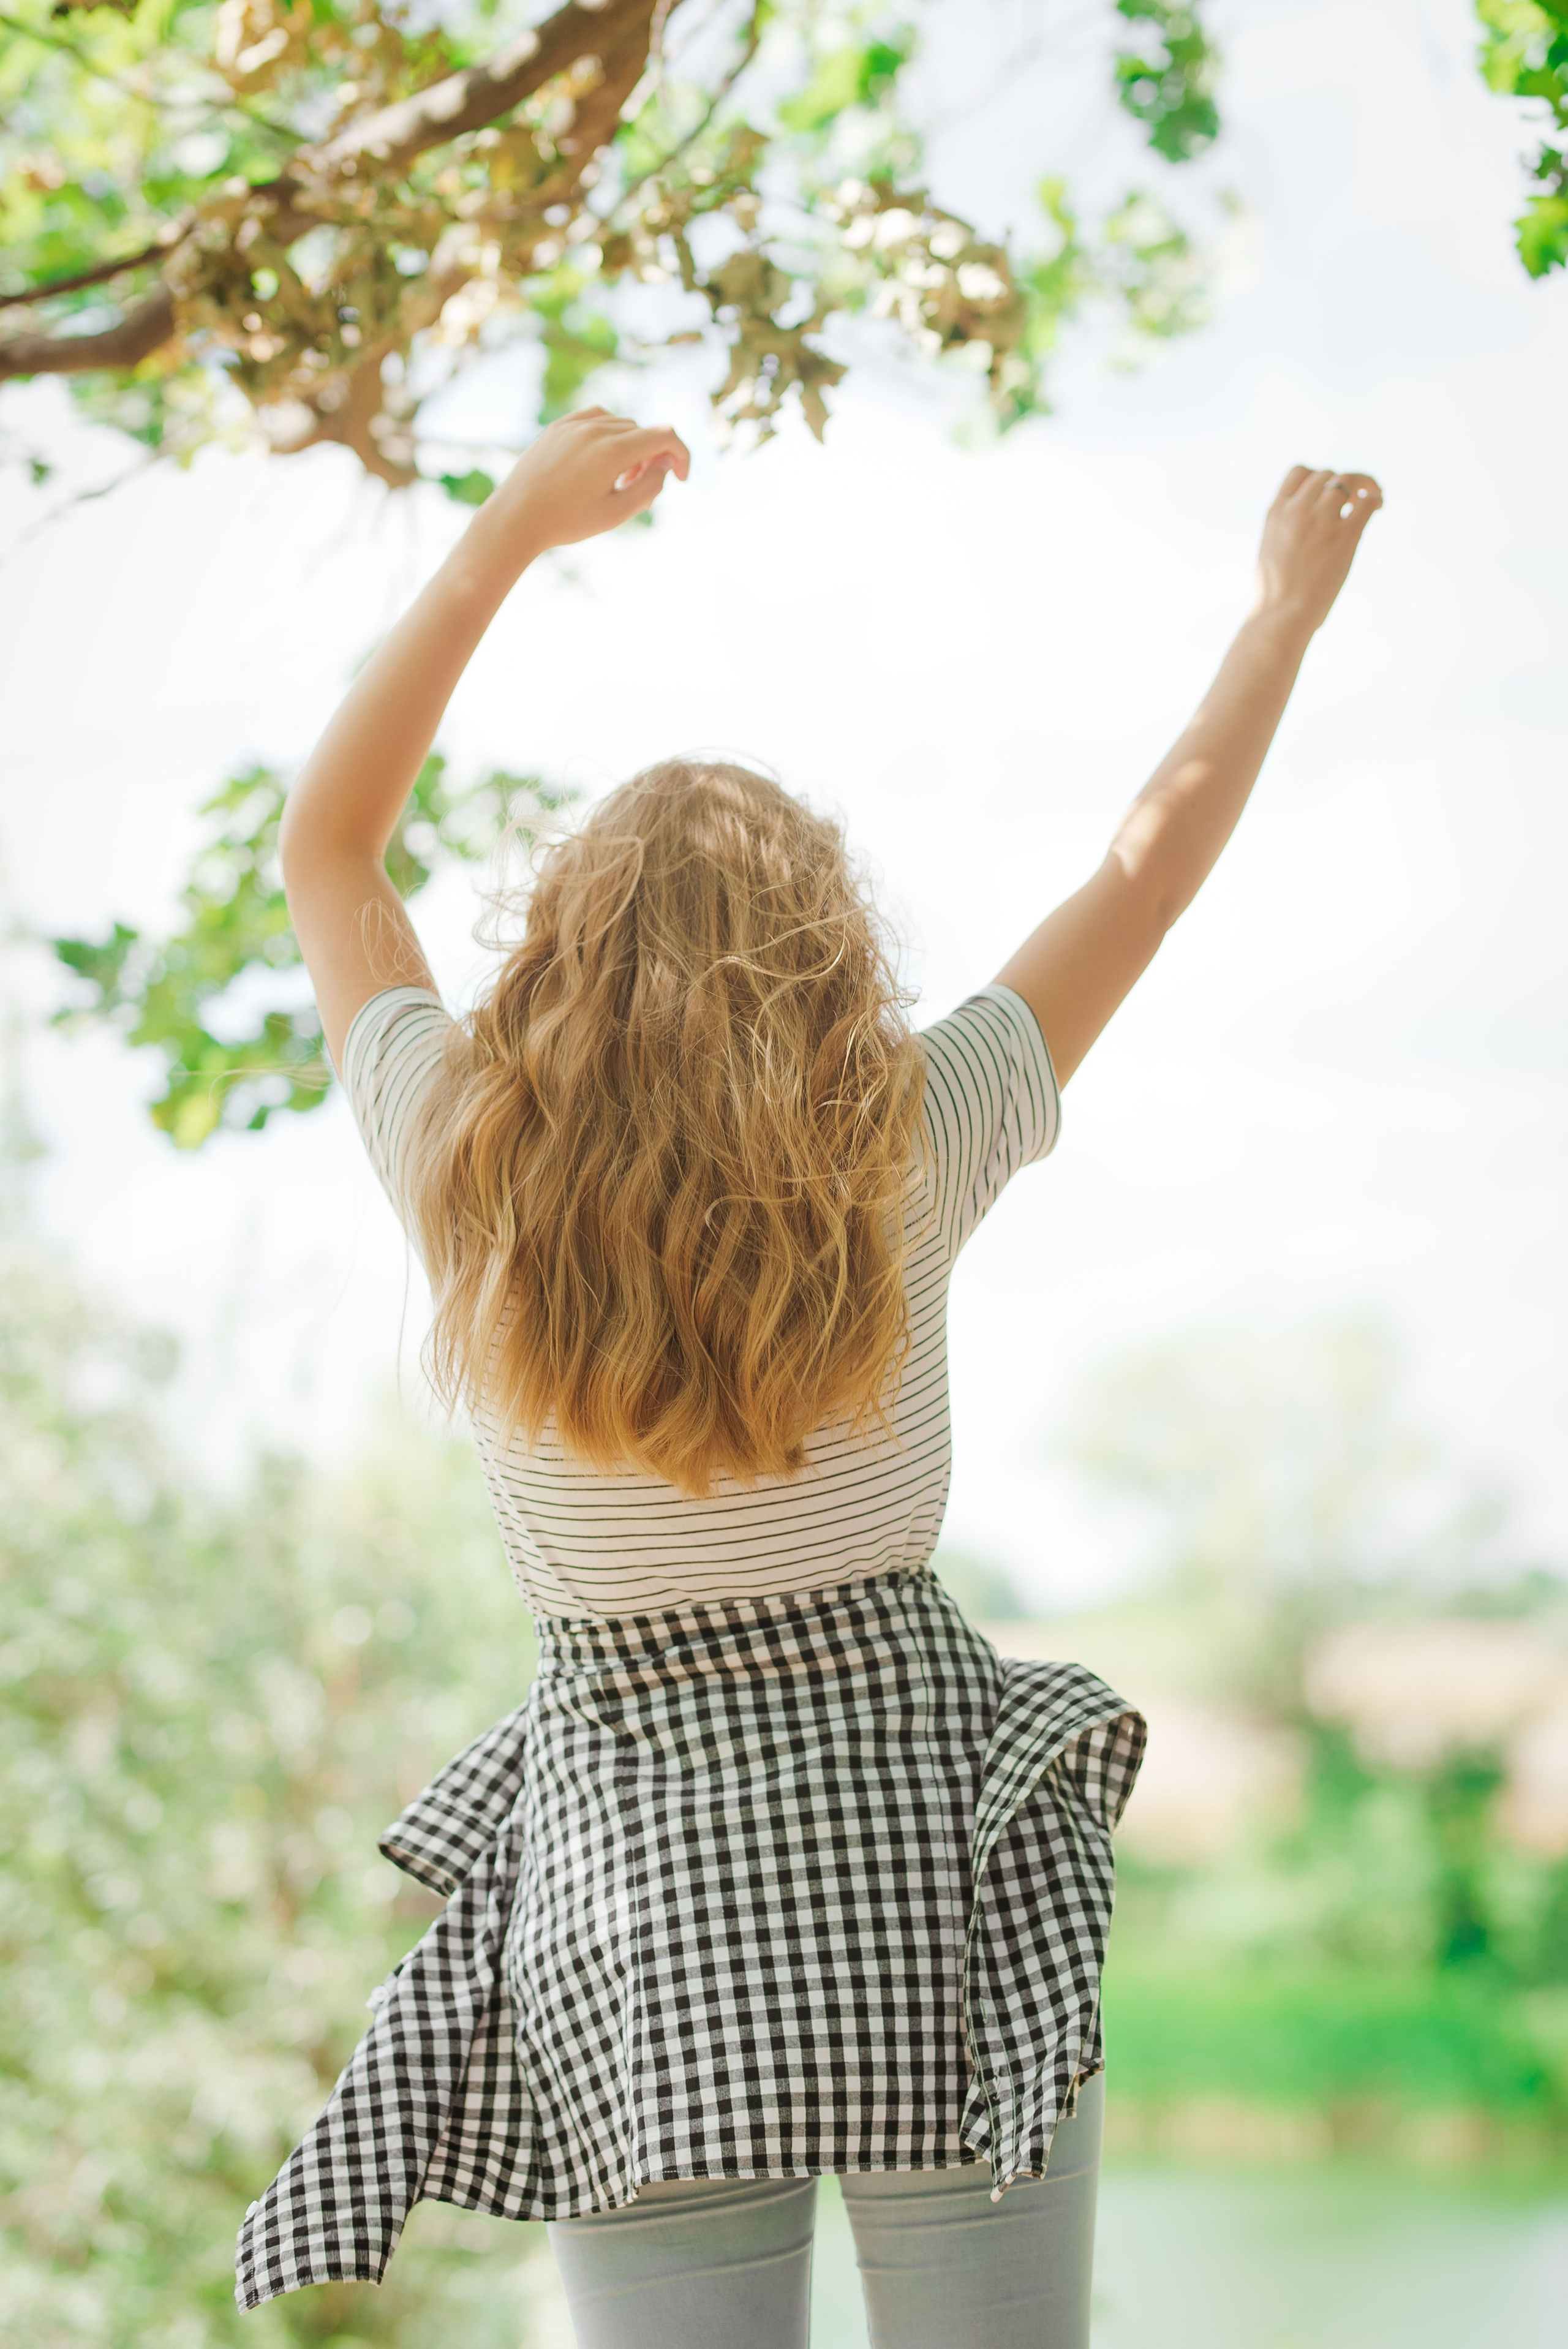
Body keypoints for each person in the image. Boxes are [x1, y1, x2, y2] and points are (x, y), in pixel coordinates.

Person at [234, 412, 1381, 2346]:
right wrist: (1282, 617)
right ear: (829, 956)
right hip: (930, 1869)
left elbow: (326, 846)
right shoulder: (907, 1137)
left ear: (557, 963)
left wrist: (508, 533)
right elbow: (1149, 877)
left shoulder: (464, 1163)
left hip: (637, 1918)